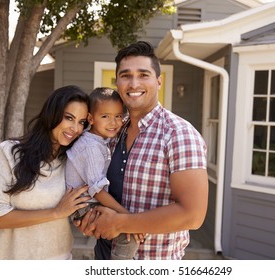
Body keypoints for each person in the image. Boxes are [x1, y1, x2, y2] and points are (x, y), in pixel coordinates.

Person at [77, 41, 209, 260]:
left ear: (158, 81)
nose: (133, 83)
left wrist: (120, 223)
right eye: (126, 75)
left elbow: (192, 215)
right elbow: (91, 180)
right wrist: (88, 221)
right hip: (103, 254)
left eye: (143, 74)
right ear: (117, 82)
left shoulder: (178, 134)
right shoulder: (113, 130)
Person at [0, 85, 91, 260]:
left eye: (82, 122)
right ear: (52, 114)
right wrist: (56, 212)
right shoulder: (9, 153)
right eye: (69, 118)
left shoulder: (73, 162)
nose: (76, 128)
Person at [65, 87, 140, 260]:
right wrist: (126, 217)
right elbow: (97, 190)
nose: (113, 123)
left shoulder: (99, 139)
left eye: (118, 116)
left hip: (90, 201)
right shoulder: (90, 147)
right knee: (128, 235)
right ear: (91, 118)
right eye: (105, 116)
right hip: (84, 206)